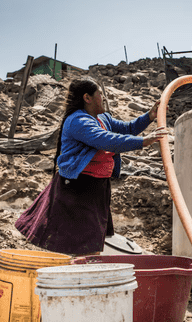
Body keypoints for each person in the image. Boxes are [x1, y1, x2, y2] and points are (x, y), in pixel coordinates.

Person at [15, 77, 167, 256]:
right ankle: (75, 275)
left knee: (89, 240)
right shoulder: (77, 121)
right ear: (87, 98)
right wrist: (143, 141)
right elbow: (106, 140)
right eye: (99, 94)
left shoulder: (103, 119)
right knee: (79, 242)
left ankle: (81, 273)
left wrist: (150, 116)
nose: (102, 97)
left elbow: (127, 129)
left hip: (97, 186)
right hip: (78, 187)